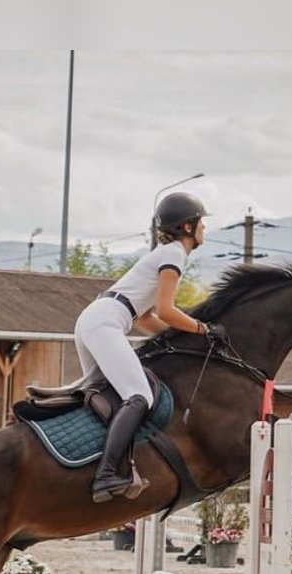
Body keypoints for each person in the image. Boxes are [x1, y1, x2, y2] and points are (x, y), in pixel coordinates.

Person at [74, 191, 217, 502]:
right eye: (201, 222)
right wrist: (202, 329)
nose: (205, 228)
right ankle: (107, 474)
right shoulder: (176, 253)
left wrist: (182, 338)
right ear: (189, 228)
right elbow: (166, 311)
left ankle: (93, 464)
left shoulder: (165, 253)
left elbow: (147, 318)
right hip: (106, 322)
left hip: (98, 319)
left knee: (106, 398)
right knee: (139, 396)